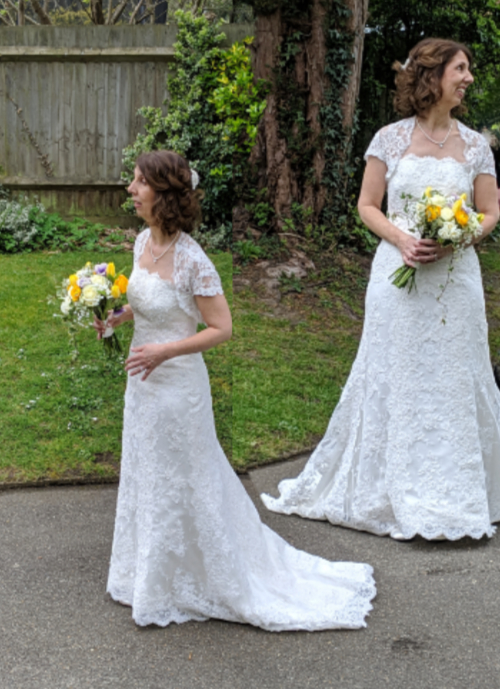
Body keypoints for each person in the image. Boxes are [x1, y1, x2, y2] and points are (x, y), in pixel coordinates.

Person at [94, 150, 375, 630]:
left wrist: (165, 351)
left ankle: (210, 573)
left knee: (189, 476)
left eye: (139, 182)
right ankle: (153, 574)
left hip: (178, 389)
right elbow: (149, 301)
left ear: (163, 194)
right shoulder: (143, 241)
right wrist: (117, 317)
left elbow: (221, 328)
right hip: (142, 386)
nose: (130, 189)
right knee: (150, 472)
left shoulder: (192, 258)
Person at [262, 38, 500, 542]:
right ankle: (389, 487)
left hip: (455, 281)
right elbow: (367, 205)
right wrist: (403, 239)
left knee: (455, 374)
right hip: (398, 277)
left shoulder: (476, 146)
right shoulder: (389, 139)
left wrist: (458, 238)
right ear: (432, 76)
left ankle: (460, 488)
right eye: (460, 69)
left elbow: (490, 211)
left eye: (468, 70)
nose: (468, 79)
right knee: (397, 372)